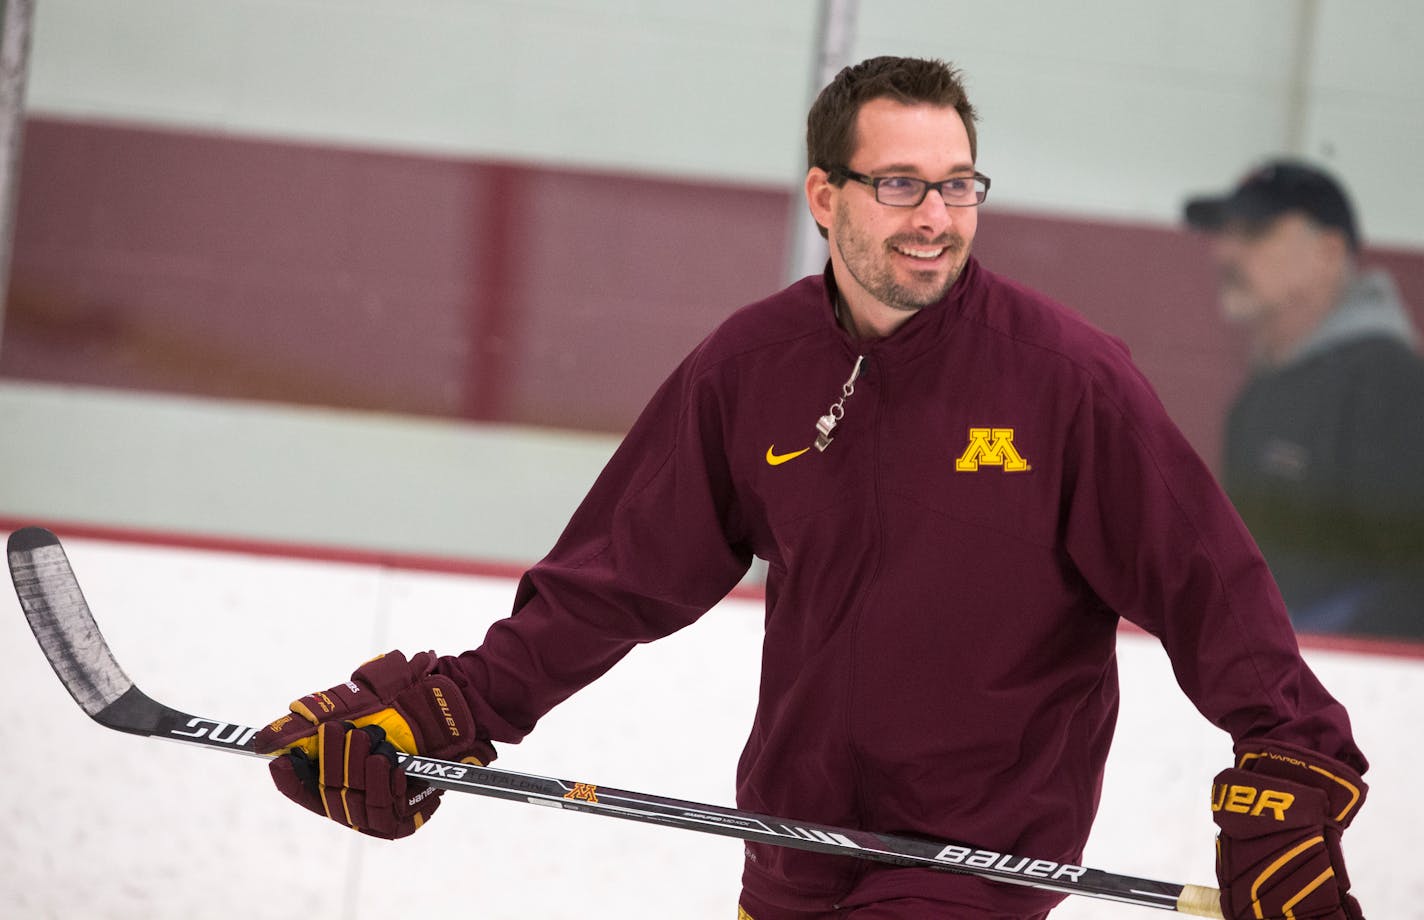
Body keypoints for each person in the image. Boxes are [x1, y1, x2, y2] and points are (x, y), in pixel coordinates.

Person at [255, 58, 1368, 919]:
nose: (935, 216)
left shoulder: (1064, 380)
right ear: (824, 196)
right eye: (899, 186)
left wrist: (1291, 757)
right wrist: (451, 709)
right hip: (790, 851)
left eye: (956, 185)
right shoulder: (754, 367)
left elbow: (1202, 583)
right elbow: (613, 580)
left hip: (968, 864)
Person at [1184, 160, 1424, 640]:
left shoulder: (1388, 383)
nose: (1225, 252)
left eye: (1255, 231)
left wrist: (1321, 650)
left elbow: (1413, 579)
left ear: (1329, 251)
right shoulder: (1262, 392)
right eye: (1224, 233)